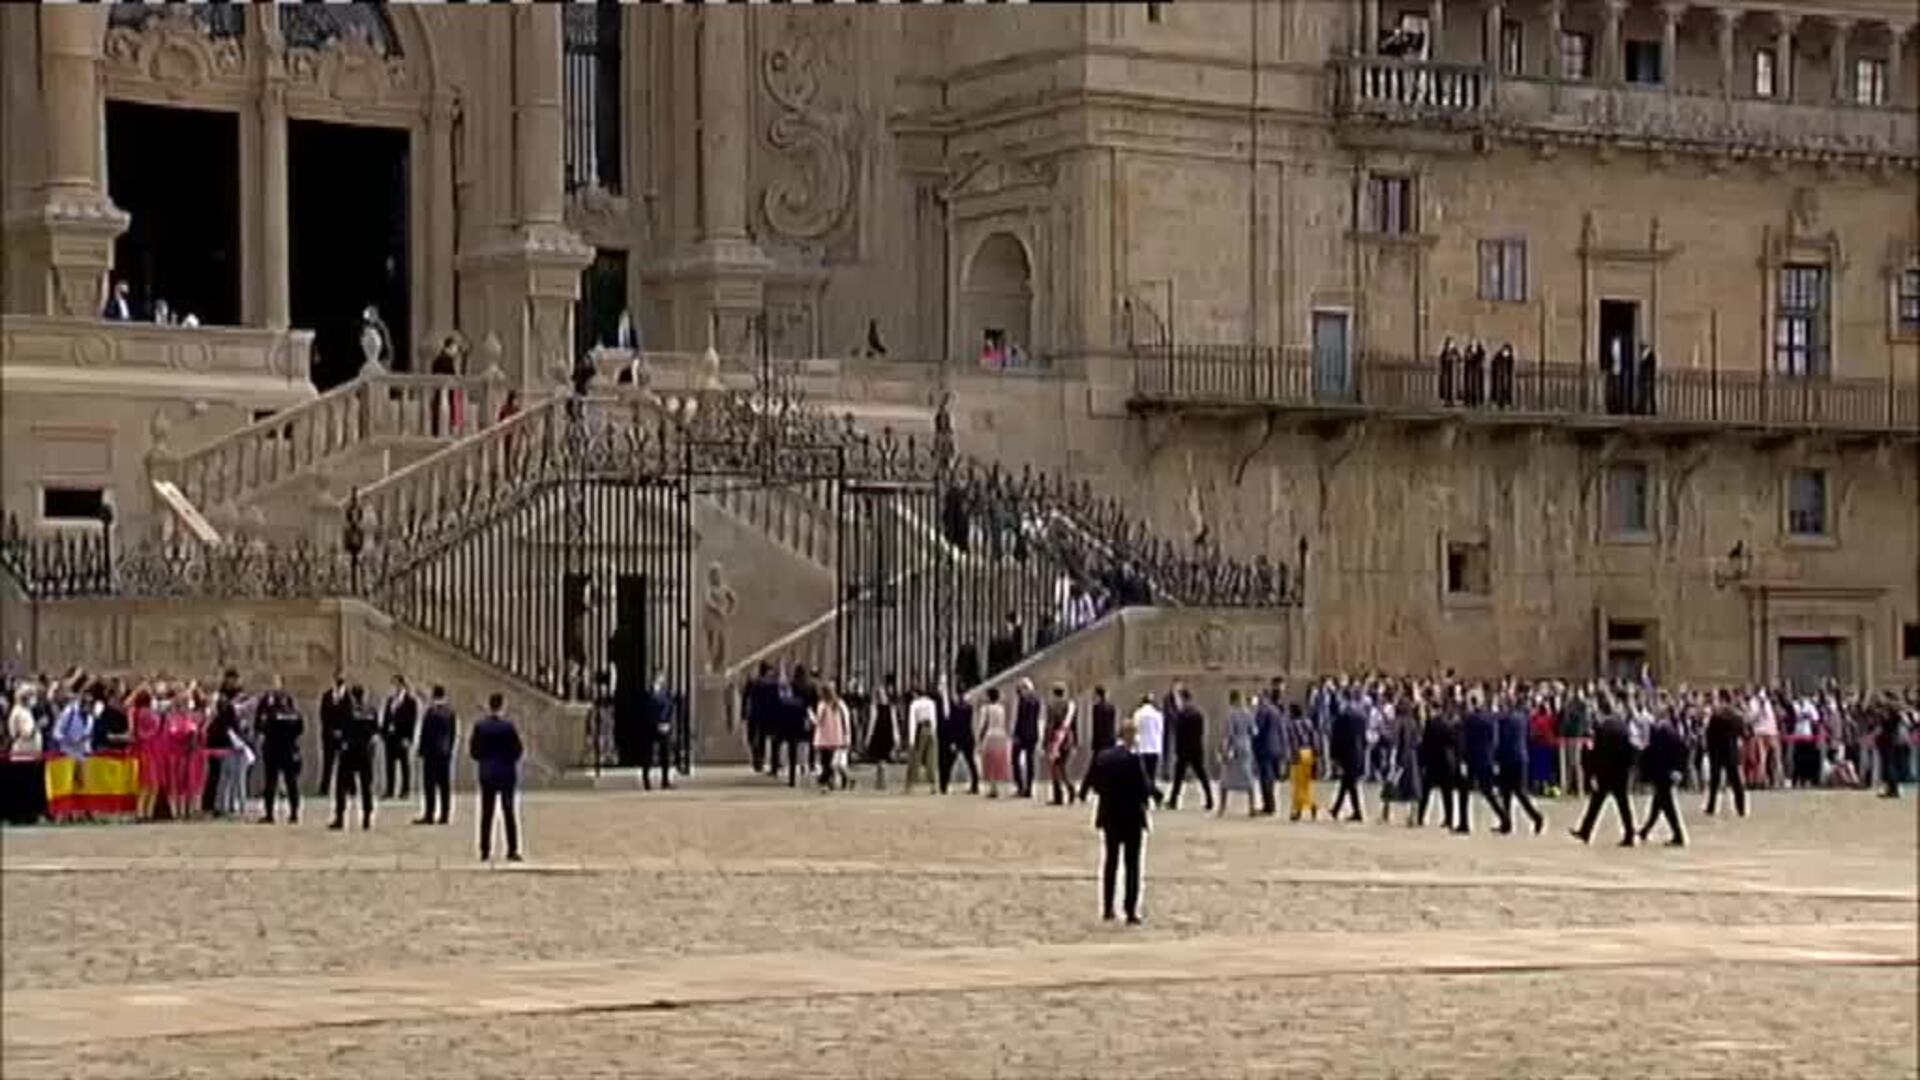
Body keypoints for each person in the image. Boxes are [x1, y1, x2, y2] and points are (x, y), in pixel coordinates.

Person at [1088, 717, 1155, 925]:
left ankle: (1108, 907)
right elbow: (1143, 788)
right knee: (1132, 865)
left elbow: (1095, 784)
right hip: (1132, 816)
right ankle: (1130, 909)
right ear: (1131, 736)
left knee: (1110, 862)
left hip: (1110, 815)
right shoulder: (1134, 760)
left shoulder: (1103, 757)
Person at [469, 693, 524, 862]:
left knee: (487, 813)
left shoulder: (480, 726)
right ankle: (512, 849)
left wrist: (485, 761)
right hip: (506, 773)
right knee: (509, 813)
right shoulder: (508, 727)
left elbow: (474, 751)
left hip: (487, 773)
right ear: (502, 706)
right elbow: (518, 750)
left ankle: (485, 849)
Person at [1571, 711, 1638, 847]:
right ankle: (1629, 833)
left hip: (1605, 772)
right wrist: (1629, 768)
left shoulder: (1601, 728)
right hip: (1621, 772)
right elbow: (1631, 750)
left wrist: (1593, 772)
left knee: (1595, 804)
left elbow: (1597, 752)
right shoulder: (1624, 728)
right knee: (1623, 805)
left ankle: (1585, 831)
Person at [327, 686, 378, 830]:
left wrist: (341, 743)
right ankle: (367, 818)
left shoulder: (346, 711)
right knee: (366, 786)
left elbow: (338, 731)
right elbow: (375, 734)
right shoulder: (370, 710)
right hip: (365, 753)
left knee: (341, 786)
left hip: (349, 752)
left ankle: (340, 818)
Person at [1495, 697, 1545, 834]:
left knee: (1507, 792)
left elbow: (1499, 740)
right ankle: (1510, 821)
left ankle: (1511, 821)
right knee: (1518, 791)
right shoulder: (1523, 719)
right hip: (1521, 756)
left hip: (1507, 757)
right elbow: (1530, 736)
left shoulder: (1502, 720)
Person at [1638, 711, 1689, 845]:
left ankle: (1678, 835)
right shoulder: (1671, 731)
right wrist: (1679, 770)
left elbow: (1654, 753)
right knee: (1657, 804)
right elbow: (1682, 749)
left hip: (1663, 774)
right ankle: (1645, 830)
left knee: (1668, 806)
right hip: (1667, 773)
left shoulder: (1661, 731)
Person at [1457, 694, 1506, 834]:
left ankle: (1464, 823)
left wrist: (1462, 759)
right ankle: (1504, 818)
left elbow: (1464, 741)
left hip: (1472, 758)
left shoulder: (1469, 719)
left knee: (1464, 791)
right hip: (1487, 757)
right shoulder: (1490, 719)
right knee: (1488, 792)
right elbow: (1495, 740)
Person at [1166, 687, 1213, 812]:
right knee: (1202, 775)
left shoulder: (1181, 714)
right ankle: (1209, 799)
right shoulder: (1198, 713)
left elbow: (1178, 733)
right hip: (1196, 748)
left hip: (1183, 749)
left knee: (1178, 777)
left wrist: (1177, 748)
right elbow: (1201, 731)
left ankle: (1173, 801)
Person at [1703, 689, 1748, 817]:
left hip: (1717, 752)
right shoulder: (1736, 715)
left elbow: (1709, 735)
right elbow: (1744, 733)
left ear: (1722, 699)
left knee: (1715, 782)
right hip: (1731, 751)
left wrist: (1709, 749)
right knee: (1736, 782)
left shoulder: (1716, 716)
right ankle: (1741, 808)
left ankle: (1711, 807)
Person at [416, 686, 457, 825]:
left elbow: (425, 734)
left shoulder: (430, 712)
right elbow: (452, 735)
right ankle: (445, 815)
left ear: (433, 696)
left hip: (431, 753)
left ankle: (430, 813)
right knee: (444, 785)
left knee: (430, 785)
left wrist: (421, 751)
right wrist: (450, 751)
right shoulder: (450, 713)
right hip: (444, 753)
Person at [1416, 701, 1459, 829]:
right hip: (1446, 762)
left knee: (1425, 792)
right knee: (1447, 793)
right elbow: (1454, 743)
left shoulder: (1430, 724)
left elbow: (1425, 744)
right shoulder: (1449, 724)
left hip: (1432, 762)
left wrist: (1422, 762)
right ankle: (1449, 819)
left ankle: (1420, 817)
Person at [1217, 690, 1259, 818]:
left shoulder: (1230, 715)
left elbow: (1228, 734)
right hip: (1246, 745)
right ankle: (1251, 807)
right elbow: (1255, 731)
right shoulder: (1248, 713)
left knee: (1226, 779)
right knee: (1248, 777)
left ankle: (1222, 808)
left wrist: (1224, 750)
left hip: (1234, 747)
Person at [937, 680, 980, 795]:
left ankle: (944, 786)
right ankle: (975, 785)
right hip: (968, 737)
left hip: (958, 738)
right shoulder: (968, 707)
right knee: (971, 762)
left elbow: (953, 724)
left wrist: (952, 740)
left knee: (949, 763)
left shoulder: (954, 708)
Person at [1077, 685, 1118, 802]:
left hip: (1100, 742)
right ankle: (1101, 789)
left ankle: (1083, 792)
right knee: (1108, 768)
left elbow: (1097, 727)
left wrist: (1094, 743)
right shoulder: (1111, 707)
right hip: (1109, 741)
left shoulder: (1097, 708)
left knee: (1093, 769)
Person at [380, 674, 417, 802]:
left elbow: (412, 721)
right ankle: (390, 789)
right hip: (390, 737)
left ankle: (405, 789)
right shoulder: (391, 700)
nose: (394, 686)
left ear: (402, 684)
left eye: (396, 683)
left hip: (402, 736)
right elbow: (386, 717)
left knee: (404, 764)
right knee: (389, 764)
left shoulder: (410, 701)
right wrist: (384, 732)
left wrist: (408, 738)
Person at [813, 682, 852, 791]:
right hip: (836, 738)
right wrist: (846, 735)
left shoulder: (822, 705)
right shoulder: (840, 704)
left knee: (826, 762)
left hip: (824, 738)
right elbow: (846, 721)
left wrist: (810, 716)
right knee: (831, 762)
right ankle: (830, 781)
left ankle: (825, 781)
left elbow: (818, 721)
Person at [1044, 683, 1079, 805]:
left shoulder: (1052, 706)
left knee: (1055, 769)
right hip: (1068, 738)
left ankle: (1058, 796)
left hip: (1056, 739)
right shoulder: (1070, 705)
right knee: (1063, 767)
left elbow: (1050, 724)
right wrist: (1075, 741)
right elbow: (1074, 725)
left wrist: (1046, 741)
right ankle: (1070, 789)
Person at [1252, 684, 1284, 816]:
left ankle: (1268, 806)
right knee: (1270, 777)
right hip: (1275, 746)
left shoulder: (1262, 711)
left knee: (1265, 778)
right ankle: (1271, 804)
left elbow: (1257, 729)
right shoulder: (1275, 710)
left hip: (1264, 747)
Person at [1285, 703, 1320, 821]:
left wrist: (1293, 757)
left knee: (1297, 785)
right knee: (1305, 784)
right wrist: (1316, 754)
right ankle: (1309, 805)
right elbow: (1314, 737)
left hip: (1299, 753)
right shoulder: (1308, 722)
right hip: (1309, 753)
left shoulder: (1292, 725)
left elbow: (1293, 741)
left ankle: (1300, 809)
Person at [317, 674, 350, 798]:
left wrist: (343, 731)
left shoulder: (348, 697)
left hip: (344, 735)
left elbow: (349, 716)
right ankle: (324, 788)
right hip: (329, 735)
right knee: (328, 762)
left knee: (346, 763)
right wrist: (331, 730)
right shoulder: (327, 696)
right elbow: (323, 716)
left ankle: (349, 788)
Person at [903, 682, 938, 793]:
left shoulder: (914, 704)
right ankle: (933, 785)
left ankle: (910, 785)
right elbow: (933, 719)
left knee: (915, 758)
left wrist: (911, 739)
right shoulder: (931, 703)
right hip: (930, 730)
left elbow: (912, 722)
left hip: (920, 729)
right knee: (931, 758)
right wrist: (933, 732)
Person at [865, 673, 898, 791]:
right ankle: (881, 782)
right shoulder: (882, 707)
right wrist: (869, 735)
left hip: (883, 733)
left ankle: (881, 782)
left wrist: (896, 735)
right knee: (881, 759)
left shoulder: (883, 707)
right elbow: (872, 722)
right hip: (881, 733)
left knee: (882, 759)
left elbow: (893, 723)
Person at [978, 687, 1013, 797]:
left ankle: (992, 787)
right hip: (1001, 735)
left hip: (990, 735)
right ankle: (998, 786)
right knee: (999, 761)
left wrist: (979, 737)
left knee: (989, 762)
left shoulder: (986, 709)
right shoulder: (1001, 709)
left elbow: (983, 724)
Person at [1012, 679, 1042, 798]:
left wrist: (1016, 734)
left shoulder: (1023, 701)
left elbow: (1020, 719)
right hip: (1033, 734)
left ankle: (1020, 786)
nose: (1018, 692)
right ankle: (1029, 788)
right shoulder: (1036, 700)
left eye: (1019, 689)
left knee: (1014, 759)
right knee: (1030, 761)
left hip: (1022, 735)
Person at [1131, 693, 1165, 786]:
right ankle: (1152, 789)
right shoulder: (1157, 714)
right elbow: (1160, 730)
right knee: (1152, 772)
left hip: (1141, 746)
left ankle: (1143, 792)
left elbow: (1134, 729)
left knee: (1142, 773)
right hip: (1154, 747)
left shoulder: (1137, 713)